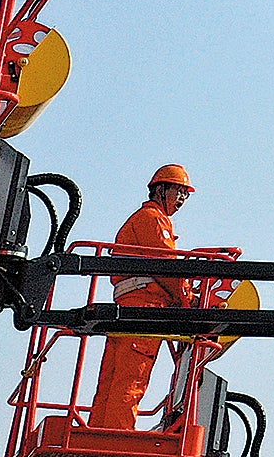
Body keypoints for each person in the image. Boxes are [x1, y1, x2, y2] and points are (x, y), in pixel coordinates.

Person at [87, 166, 197, 430]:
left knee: (113, 381)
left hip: (128, 311)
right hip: (145, 310)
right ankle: (117, 436)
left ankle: (101, 432)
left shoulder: (142, 219)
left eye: (186, 194)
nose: (182, 199)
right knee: (131, 381)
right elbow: (168, 266)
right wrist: (189, 299)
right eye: (178, 191)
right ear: (160, 190)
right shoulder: (153, 219)